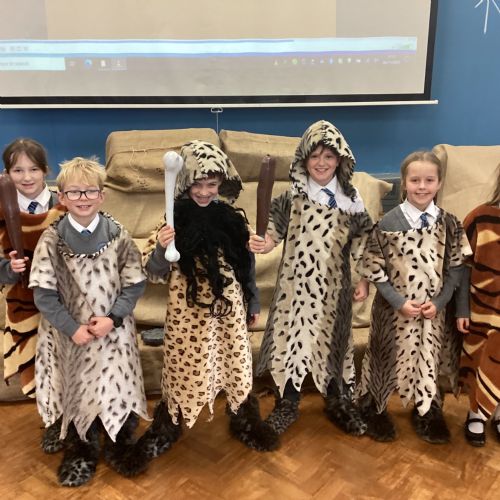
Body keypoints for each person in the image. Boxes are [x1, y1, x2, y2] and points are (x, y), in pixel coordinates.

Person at [139, 140, 278, 459]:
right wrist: (162, 247)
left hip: (229, 311)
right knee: (182, 369)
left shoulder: (232, 220)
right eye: (197, 184)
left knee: (237, 365)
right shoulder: (170, 220)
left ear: (222, 183)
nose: (204, 192)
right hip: (187, 316)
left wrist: (254, 301)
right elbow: (154, 270)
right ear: (185, 183)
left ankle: (245, 420)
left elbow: (246, 268)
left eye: (211, 184)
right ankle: (168, 425)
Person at [29, 157, 149, 487]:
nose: (83, 198)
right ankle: (80, 448)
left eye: (90, 191)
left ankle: (119, 440)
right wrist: (72, 328)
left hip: (113, 332)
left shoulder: (119, 236)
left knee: (116, 384)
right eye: (74, 192)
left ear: (102, 195)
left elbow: (134, 283)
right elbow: (44, 294)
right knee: (76, 388)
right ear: (62, 197)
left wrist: (113, 318)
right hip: (70, 334)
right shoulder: (51, 240)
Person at [248, 120, 373, 439]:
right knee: (292, 344)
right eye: (314, 156)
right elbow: (273, 233)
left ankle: (338, 400)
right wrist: (264, 243)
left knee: (333, 344)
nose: (321, 162)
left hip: (334, 290)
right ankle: (287, 402)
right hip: (295, 291)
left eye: (328, 156)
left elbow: (363, 243)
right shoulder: (291, 197)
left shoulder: (351, 200)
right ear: (303, 159)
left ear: (340, 160)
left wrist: (364, 279)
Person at [357, 151, 471, 444]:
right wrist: (399, 302)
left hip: (433, 312)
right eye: (415, 180)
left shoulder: (450, 224)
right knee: (384, 359)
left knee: (429, 357)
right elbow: (375, 269)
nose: (422, 186)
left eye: (429, 180)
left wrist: (441, 302)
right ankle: (374, 407)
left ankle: (428, 410)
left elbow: (457, 269)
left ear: (439, 183)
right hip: (393, 311)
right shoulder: (387, 223)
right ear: (404, 182)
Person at [0, 138, 66, 452]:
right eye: (17, 170)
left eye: (33, 169)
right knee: (40, 364)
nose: (26, 177)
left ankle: (75, 418)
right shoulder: (2, 210)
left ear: (45, 171)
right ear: (7, 174)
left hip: (62, 300)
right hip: (24, 302)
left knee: (65, 360)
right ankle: (52, 420)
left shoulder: (63, 204)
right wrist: (8, 268)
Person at [456, 164, 500, 447]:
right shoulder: (479, 217)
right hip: (483, 308)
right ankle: (476, 413)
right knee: (481, 358)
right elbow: (462, 267)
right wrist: (462, 309)